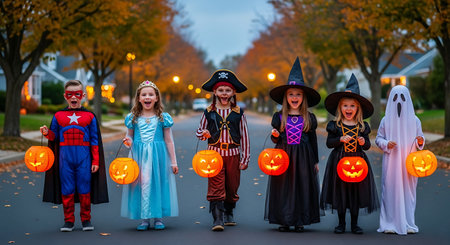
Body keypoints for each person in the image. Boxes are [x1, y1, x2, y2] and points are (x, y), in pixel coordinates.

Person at [40, 80, 109, 232]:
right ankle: (68, 221)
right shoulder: (58, 116)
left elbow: (95, 140)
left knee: (85, 188)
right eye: (70, 94)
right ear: (65, 96)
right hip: (65, 158)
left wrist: (96, 160)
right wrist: (46, 133)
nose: (74, 97)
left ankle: (86, 220)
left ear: (83, 95)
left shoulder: (90, 116)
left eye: (77, 94)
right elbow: (54, 137)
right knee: (67, 189)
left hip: (84, 158)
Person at [264, 57, 321, 232]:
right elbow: (276, 139)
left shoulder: (309, 118)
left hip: (304, 157)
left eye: (298, 94)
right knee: (284, 187)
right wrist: (275, 136)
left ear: (303, 97)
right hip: (283, 155)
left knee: (302, 186)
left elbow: (312, 140)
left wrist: (315, 161)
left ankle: (300, 220)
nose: (294, 97)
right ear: (285, 97)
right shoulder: (279, 117)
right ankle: (284, 219)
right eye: (291, 94)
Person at [320, 74, 379, 234]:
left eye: (352, 106)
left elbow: (367, 146)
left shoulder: (362, 127)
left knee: (355, 192)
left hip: (358, 161)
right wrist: (340, 139)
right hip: (339, 161)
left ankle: (354, 224)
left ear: (358, 108)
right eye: (345, 106)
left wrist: (363, 142)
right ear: (340, 108)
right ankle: (340, 223)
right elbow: (329, 143)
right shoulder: (335, 125)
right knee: (340, 192)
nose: (348, 109)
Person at [196, 69, 250, 231]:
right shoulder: (209, 112)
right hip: (214, 154)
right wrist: (203, 134)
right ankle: (217, 217)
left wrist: (245, 158)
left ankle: (229, 211)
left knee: (232, 185)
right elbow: (199, 131)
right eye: (221, 90)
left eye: (227, 90)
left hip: (233, 153)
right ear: (215, 91)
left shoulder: (238, 113)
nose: (224, 94)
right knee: (216, 186)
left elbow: (244, 136)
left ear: (233, 92)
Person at [121, 80, 179, 231]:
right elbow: (130, 137)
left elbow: (169, 140)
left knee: (157, 183)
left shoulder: (162, 118)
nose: (147, 97)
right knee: (140, 184)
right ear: (139, 98)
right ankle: (144, 219)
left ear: (156, 98)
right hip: (138, 156)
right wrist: (128, 141)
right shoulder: (133, 117)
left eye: (151, 94)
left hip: (158, 156)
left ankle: (158, 217)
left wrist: (173, 162)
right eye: (144, 94)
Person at [376, 85, 424, 235]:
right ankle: (389, 223)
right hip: (391, 163)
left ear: (408, 99)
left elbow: (419, 139)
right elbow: (378, 139)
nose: (399, 102)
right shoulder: (385, 120)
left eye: (402, 98)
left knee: (408, 193)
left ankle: (408, 222)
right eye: (395, 98)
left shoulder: (415, 120)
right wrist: (386, 143)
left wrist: (420, 142)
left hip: (409, 162)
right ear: (390, 99)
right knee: (390, 191)